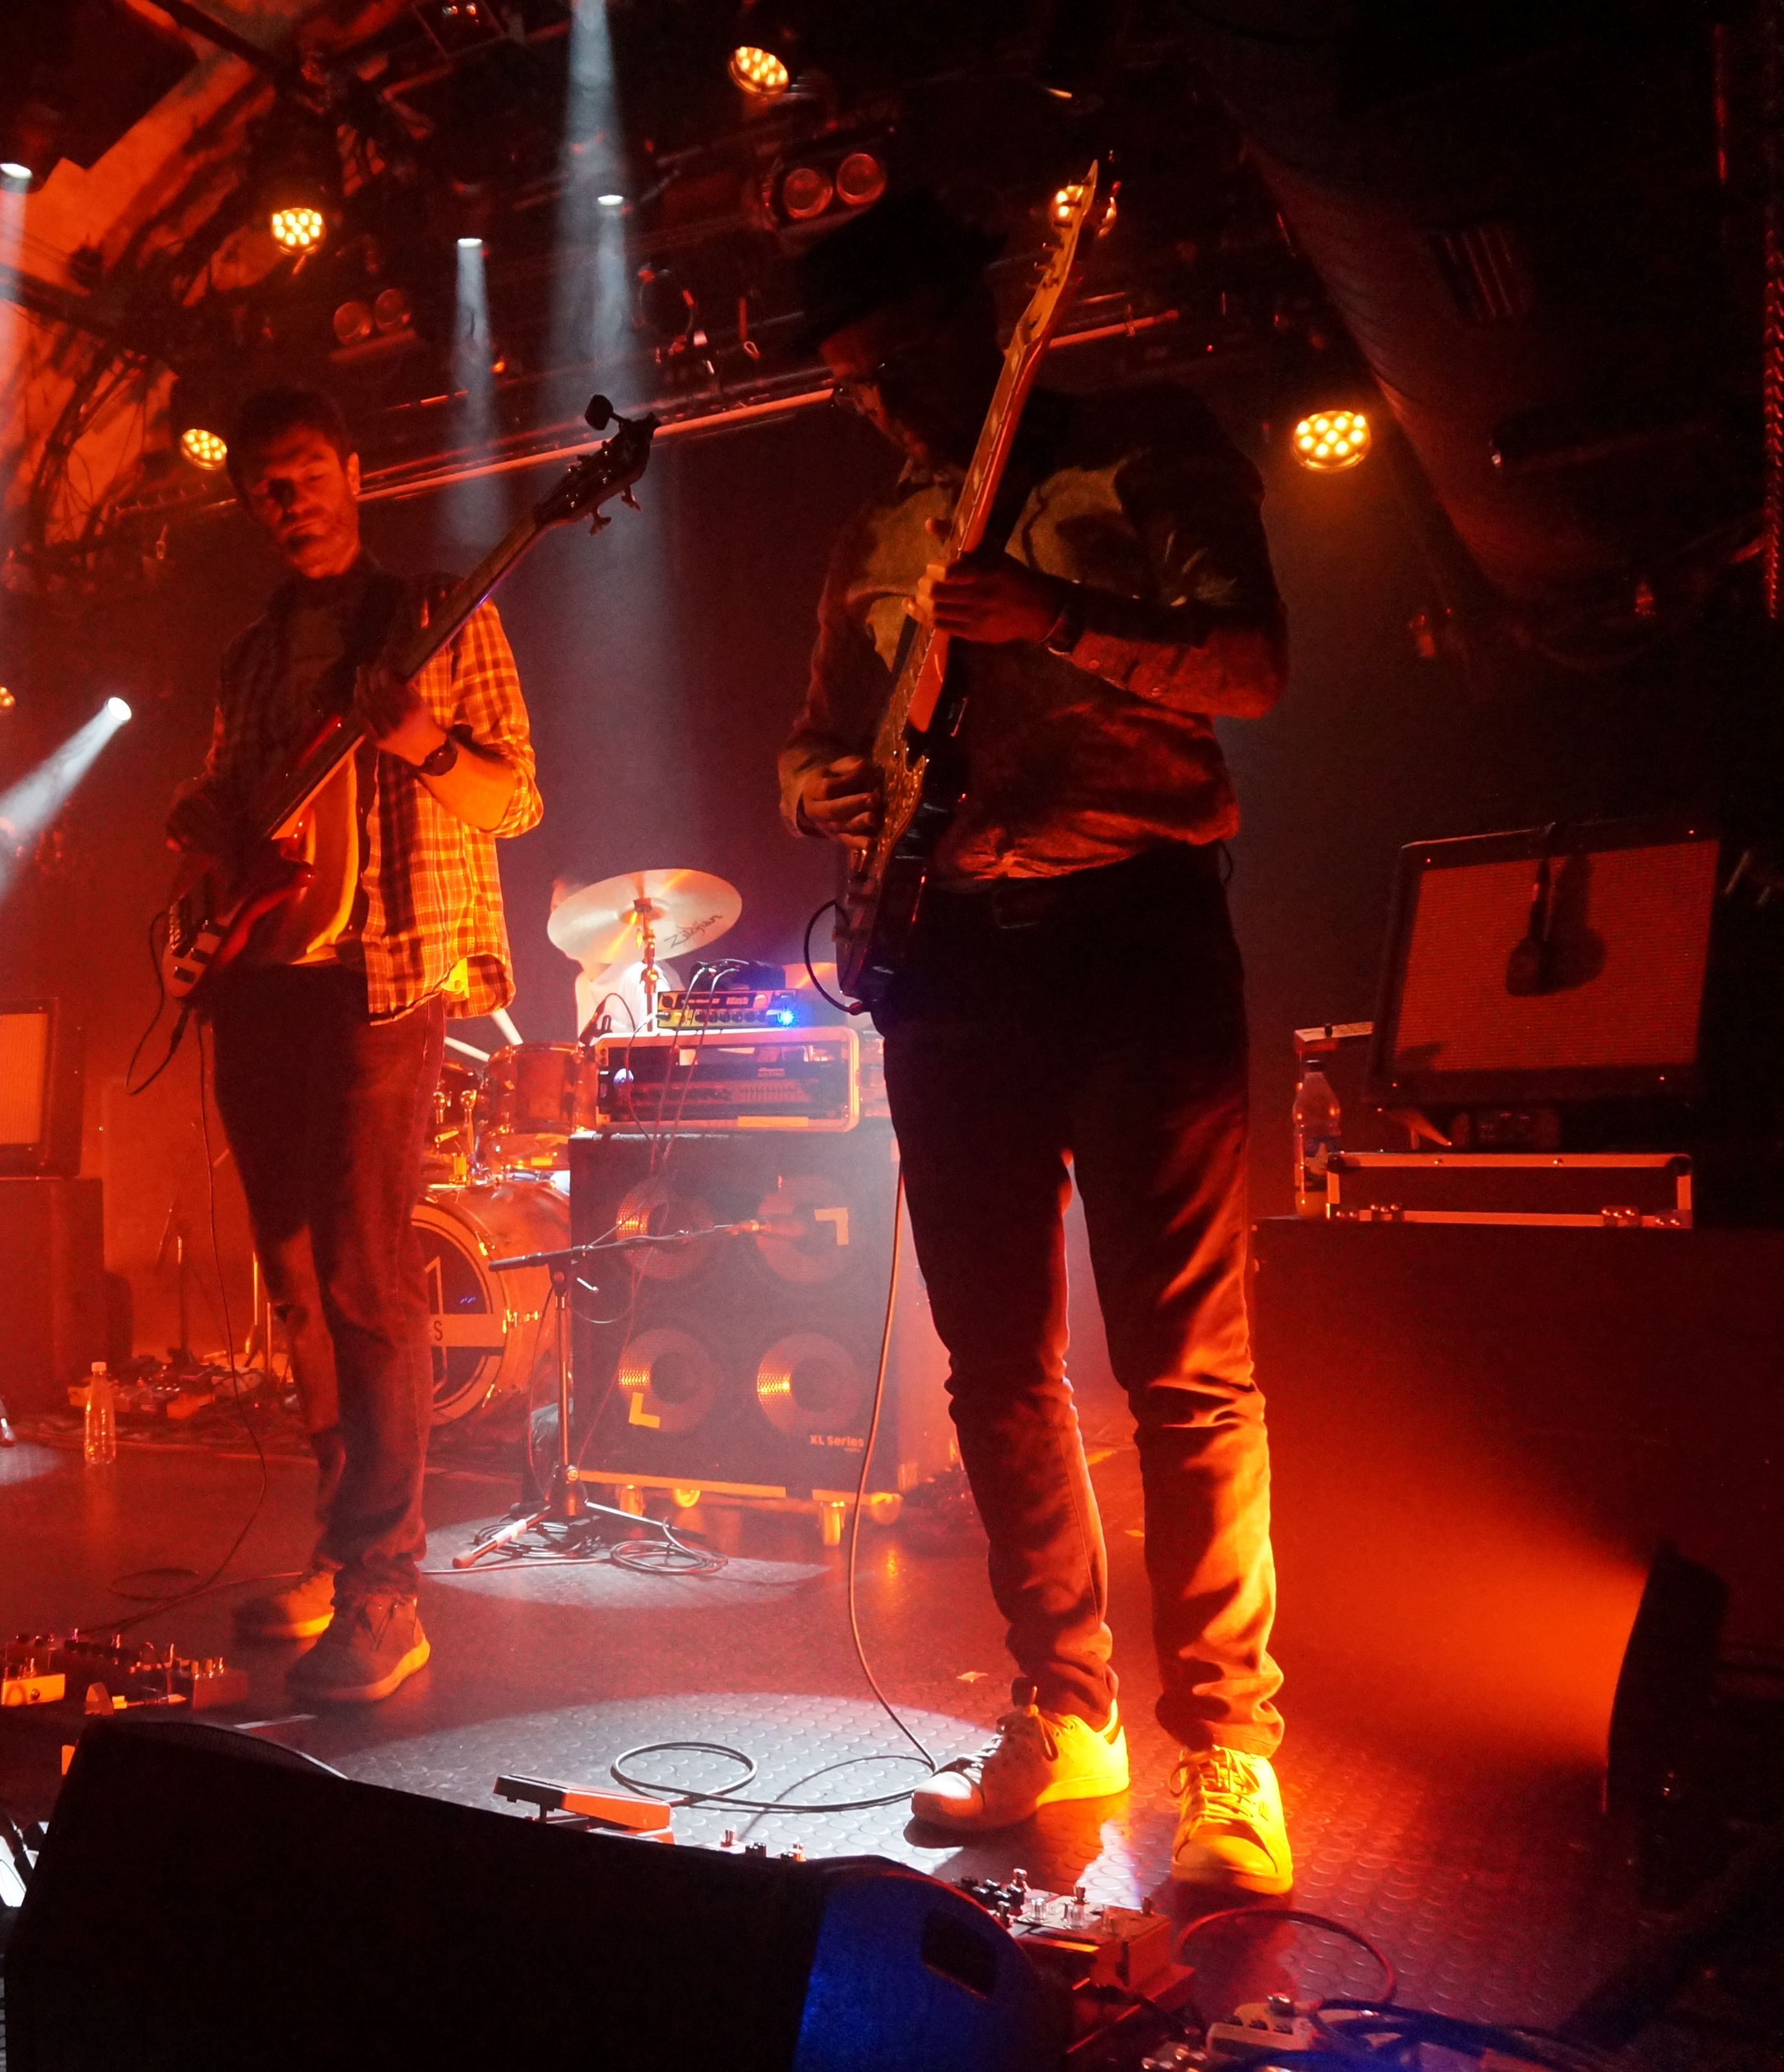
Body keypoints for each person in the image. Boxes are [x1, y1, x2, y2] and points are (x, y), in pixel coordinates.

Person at [778, 188, 1294, 1892]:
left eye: (895, 362)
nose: (879, 404)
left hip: (1135, 931)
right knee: (993, 1366)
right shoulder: (873, 530)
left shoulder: (1140, 446)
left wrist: (1056, 620)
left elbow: (1253, 668)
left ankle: (1227, 1749)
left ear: (978, 319)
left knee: (1182, 1366)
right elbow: (810, 737)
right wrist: (816, 787)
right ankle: (1064, 1707)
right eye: (849, 384)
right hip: (946, 961)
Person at [168, 384, 542, 1704]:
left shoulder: (439, 612)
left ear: (354, 474)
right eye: (264, 486)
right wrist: (201, 829)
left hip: (382, 975)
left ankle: (388, 1591)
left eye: (306, 473)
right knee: (291, 1276)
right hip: (263, 976)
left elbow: (514, 797)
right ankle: (338, 1553)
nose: (288, 499)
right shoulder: (250, 652)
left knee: (366, 1278)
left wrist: (423, 739)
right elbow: (234, 796)